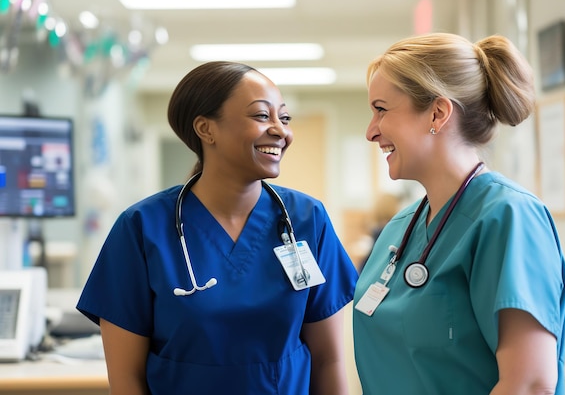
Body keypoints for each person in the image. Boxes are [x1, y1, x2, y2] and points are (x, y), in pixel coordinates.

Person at [76, 61, 358, 395]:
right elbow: (127, 380)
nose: (280, 131)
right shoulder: (141, 229)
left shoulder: (306, 219)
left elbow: (329, 361)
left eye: (283, 117)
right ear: (206, 129)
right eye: (261, 116)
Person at [352, 33, 565, 395]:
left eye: (381, 109)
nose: (371, 131)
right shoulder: (398, 229)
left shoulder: (508, 218)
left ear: (437, 113)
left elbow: (529, 384)